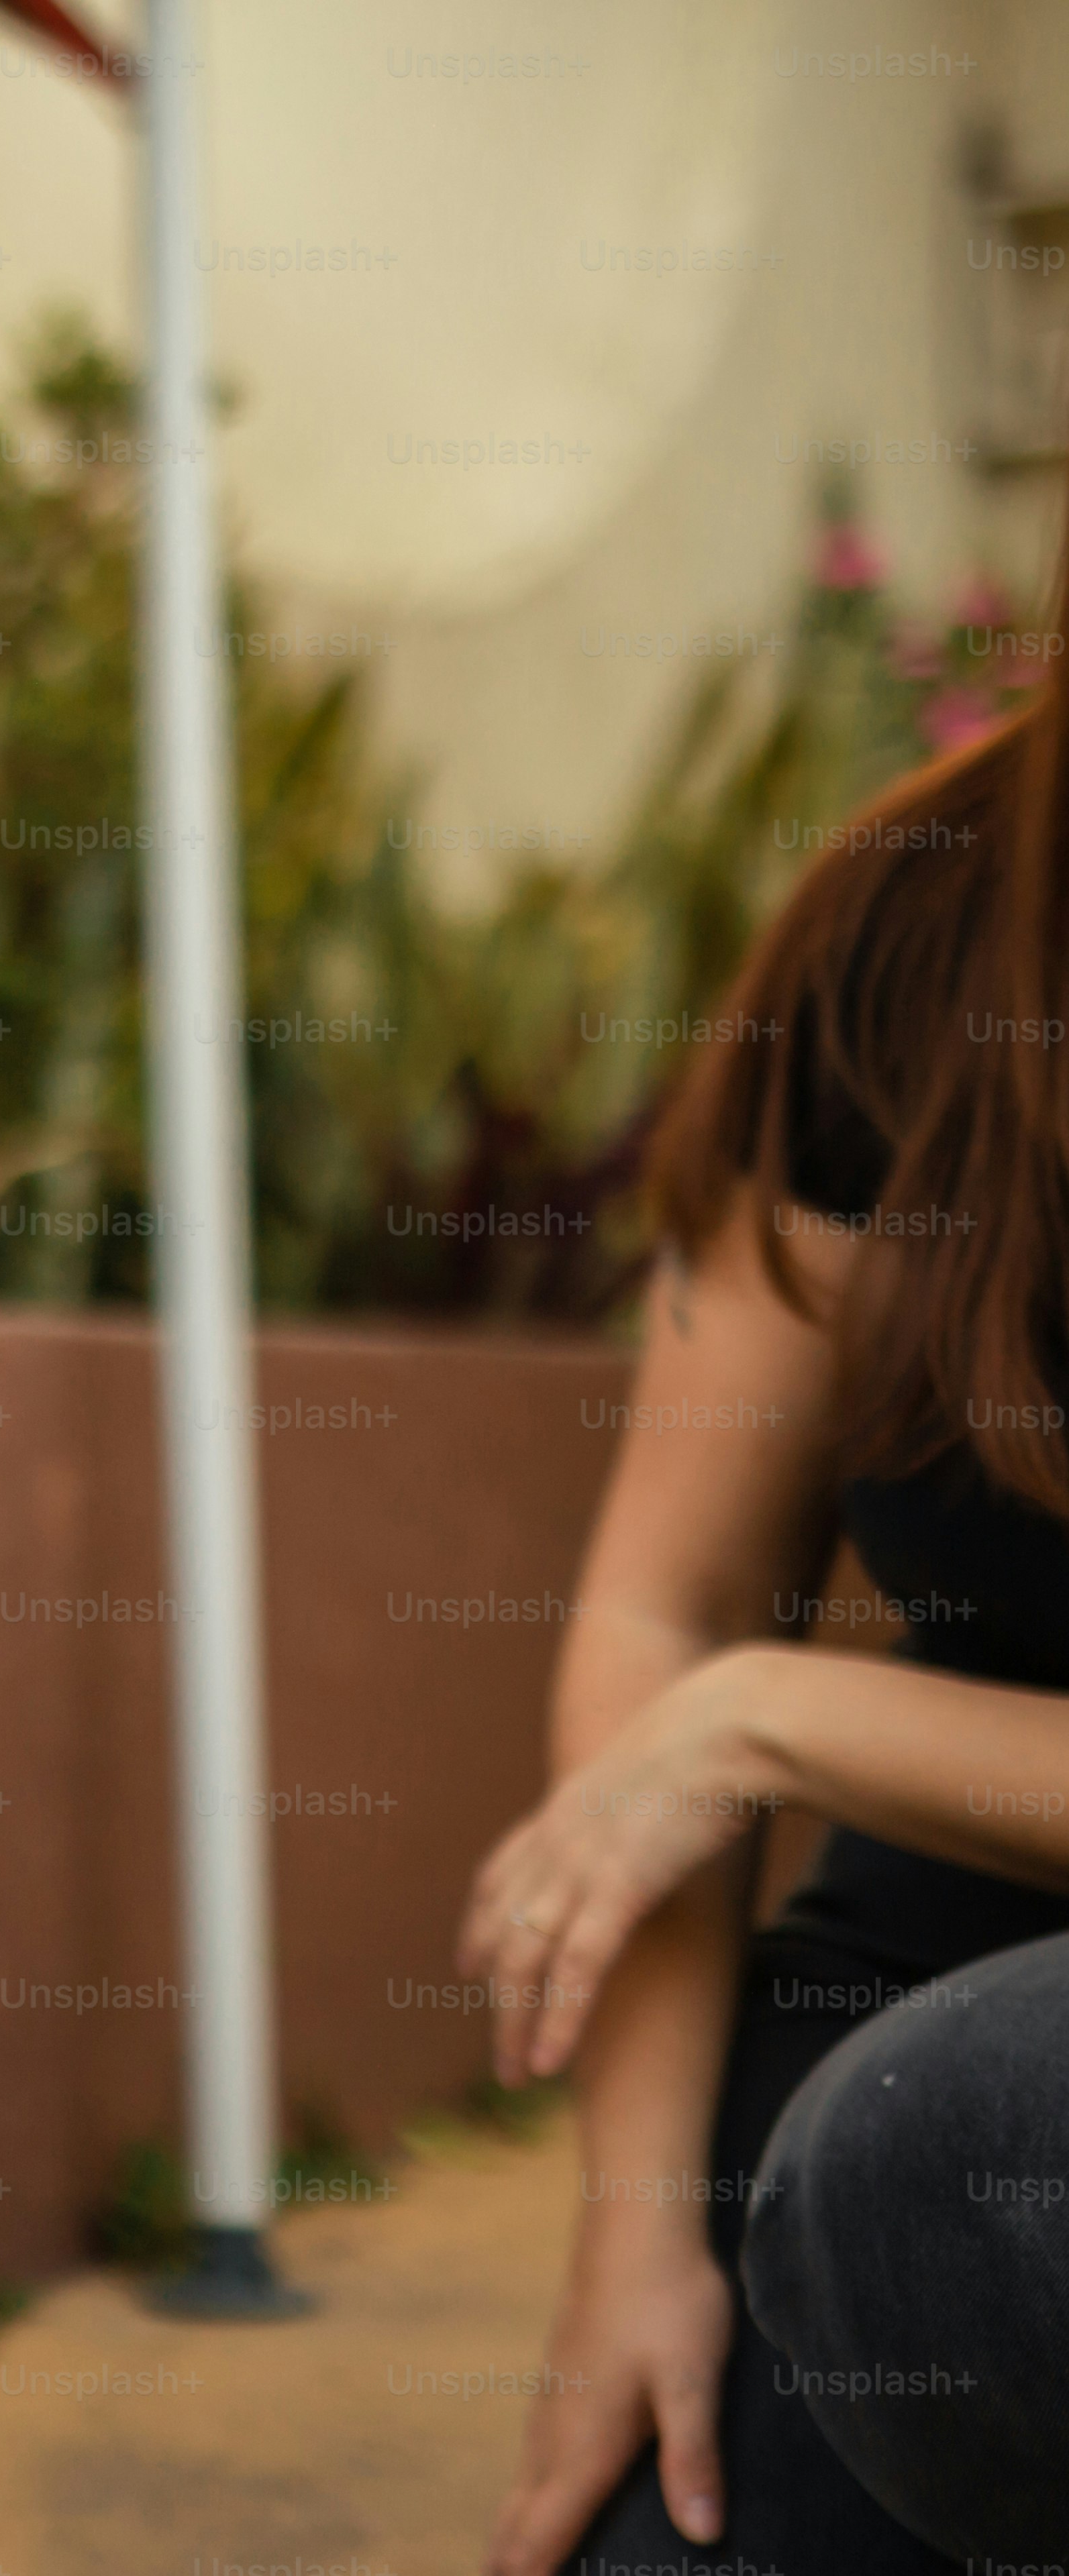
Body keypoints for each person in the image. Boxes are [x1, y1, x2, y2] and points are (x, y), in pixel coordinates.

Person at [459, 578, 1069, 2571]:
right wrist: (631, 2235)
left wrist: (782, 1713)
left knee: (969, 2146)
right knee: (703, 2503)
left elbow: (730, 1683)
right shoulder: (918, 924)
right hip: (928, 1960)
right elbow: (676, 1603)